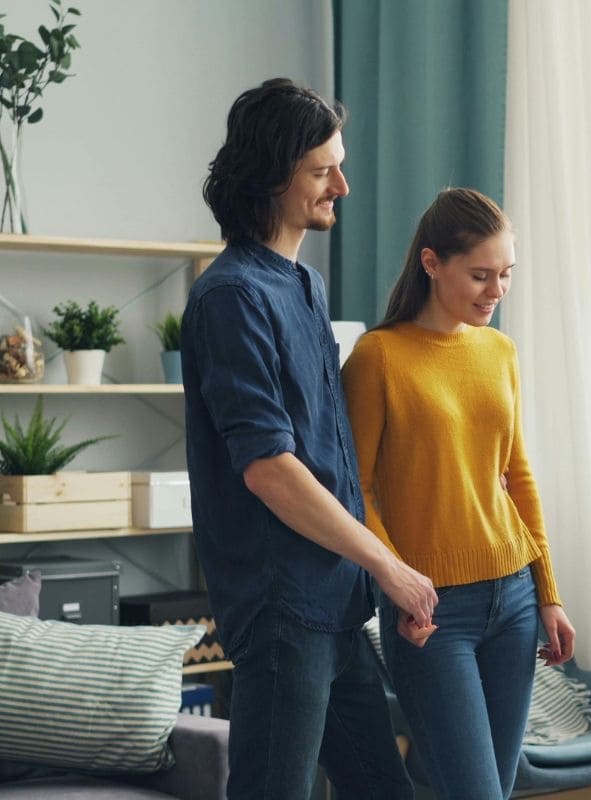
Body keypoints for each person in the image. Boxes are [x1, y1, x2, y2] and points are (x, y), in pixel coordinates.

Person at [183, 78, 436, 800]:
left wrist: (375, 576)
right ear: (273, 175)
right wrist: (388, 566)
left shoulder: (305, 285)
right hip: (282, 609)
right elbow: (269, 469)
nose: (342, 187)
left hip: (333, 604)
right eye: (324, 170)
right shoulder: (232, 295)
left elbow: (332, 458)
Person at [341, 187, 576, 799]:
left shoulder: (500, 351)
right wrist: (397, 581)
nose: (496, 290)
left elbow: (518, 475)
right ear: (431, 262)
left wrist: (548, 593)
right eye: (480, 275)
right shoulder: (378, 357)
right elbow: (355, 490)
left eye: (506, 274)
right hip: (433, 612)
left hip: (514, 598)